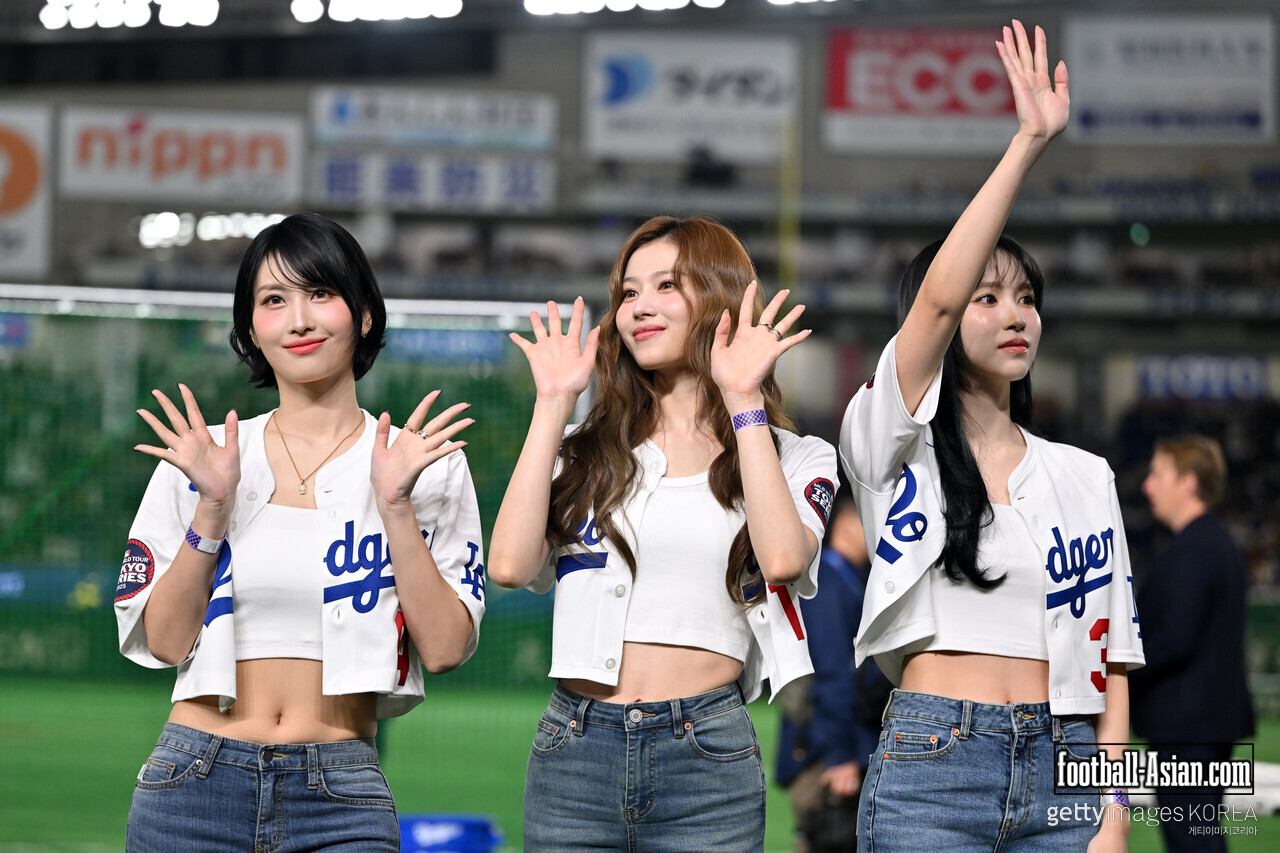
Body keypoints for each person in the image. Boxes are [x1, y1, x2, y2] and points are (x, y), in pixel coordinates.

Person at [838, 22, 1144, 852]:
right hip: (933, 766)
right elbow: (932, 307)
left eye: (1026, 298)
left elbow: (1111, 661)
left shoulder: (1086, 475)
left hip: (1066, 767)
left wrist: (1114, 812)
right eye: (988, 297)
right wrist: (1027, 141)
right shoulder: (886, 443)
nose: (1015, 313)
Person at [116, 212, 486, 852]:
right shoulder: (204, 460)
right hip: (194, 779)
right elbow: (166, 643)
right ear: (251, 330)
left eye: (321, 293)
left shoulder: (425, 464)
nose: (300, 319)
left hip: (341, 792)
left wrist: (395, 505)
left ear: (364, 314)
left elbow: (449, 648)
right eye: (273, 300)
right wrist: (211, 508)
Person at [488, 215, 838, 852]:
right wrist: (552, 404)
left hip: (706, 750)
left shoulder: (795, 455)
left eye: (666, 286)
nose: (639, 308)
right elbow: (509, 565)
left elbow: (784, 558)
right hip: (575, 744)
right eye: (627, 293)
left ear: (719, 297)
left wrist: (743, 398)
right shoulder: (581, 451)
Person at [1131, 435, 1254, 853]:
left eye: (1157, 474)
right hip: (1204, 721)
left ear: (1187, 482)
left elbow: (1174, 638)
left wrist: (1119, 672)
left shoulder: (1193, 549)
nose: (1148, 485)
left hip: (1187, 725)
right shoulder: (1215, 543)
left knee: (1192, 841)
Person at [776, 487, 887, 853]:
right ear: (847, 524)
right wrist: (840, 755)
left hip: (837, 740)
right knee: (827, 837)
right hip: (824, 749)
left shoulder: (848, 577)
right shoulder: (825, 580)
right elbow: (832, 675)